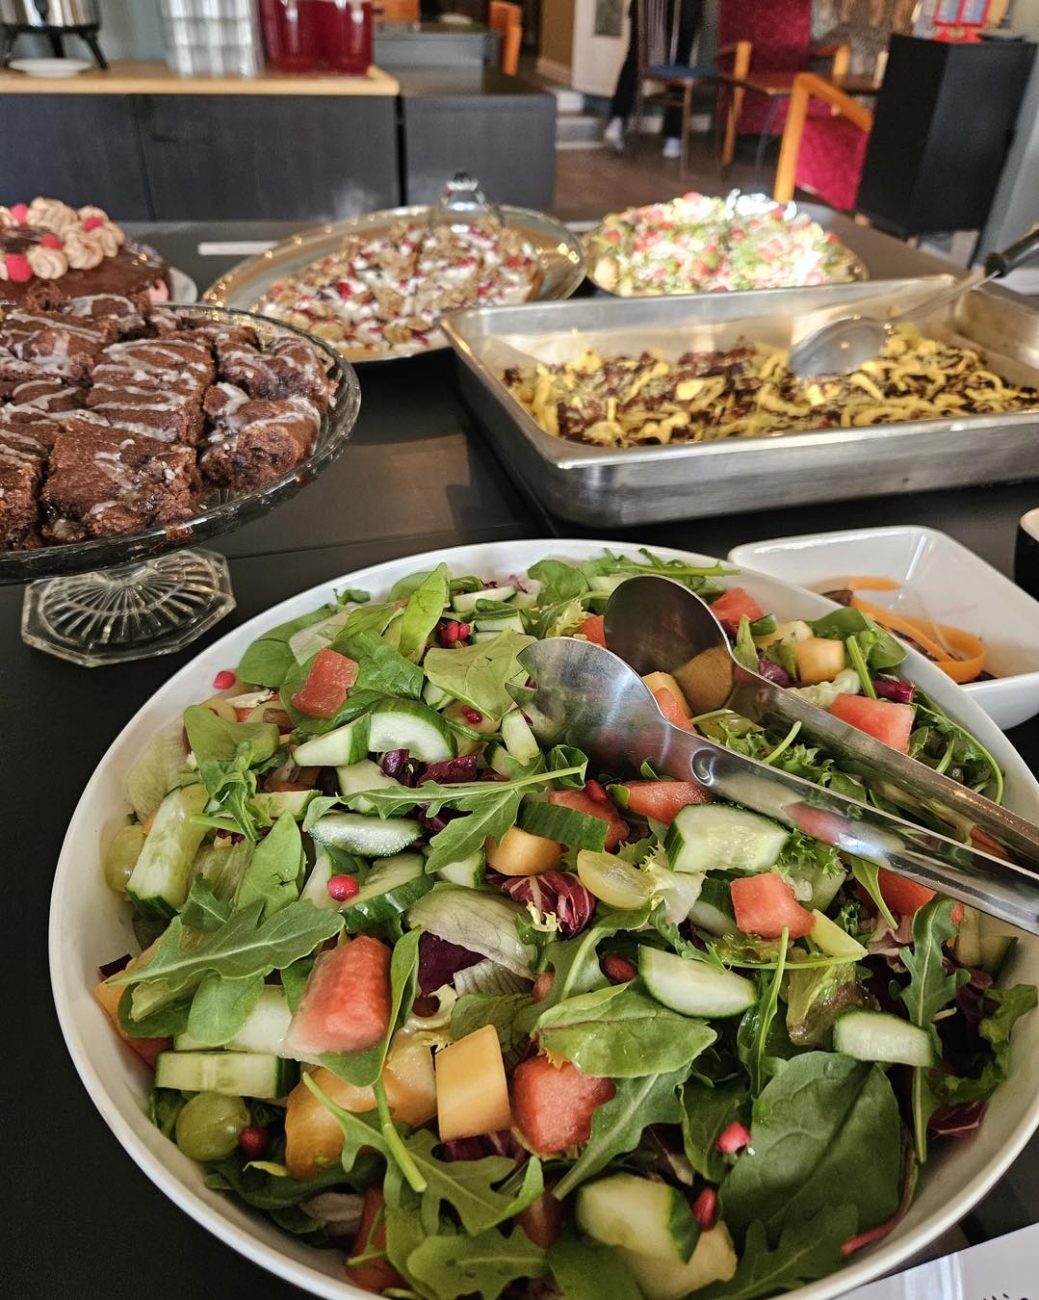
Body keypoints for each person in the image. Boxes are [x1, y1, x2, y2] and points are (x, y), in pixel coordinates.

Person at [604, 0, 705, 157]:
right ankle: (673, 138)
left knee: (636, 58)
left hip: (647, 6)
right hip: (686, 9)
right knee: (680, 64)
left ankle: (617, 121)